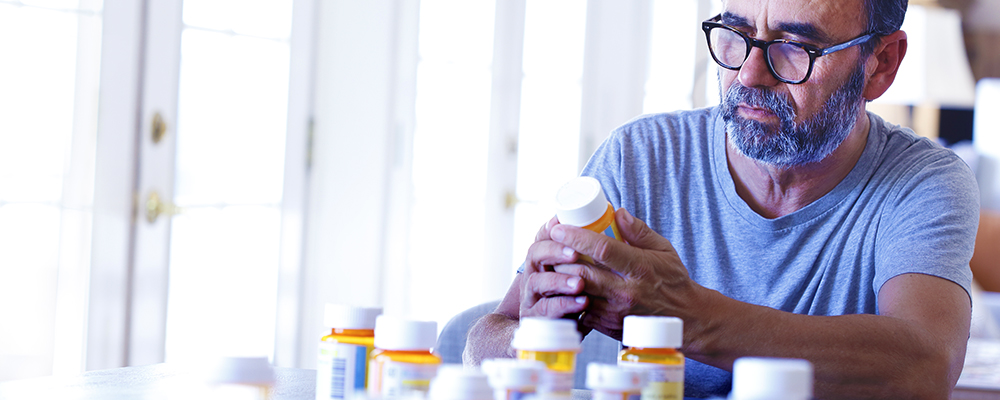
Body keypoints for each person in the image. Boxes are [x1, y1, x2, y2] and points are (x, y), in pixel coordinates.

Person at [464, 0, 980, 398]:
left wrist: (686, 315)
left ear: (881, 63)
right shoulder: (640, 157)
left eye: (795, 47)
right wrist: (530, 338)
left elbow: (925, 366)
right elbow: (484, 340)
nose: (749, 76)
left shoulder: (922, 182)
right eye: (735, 36)